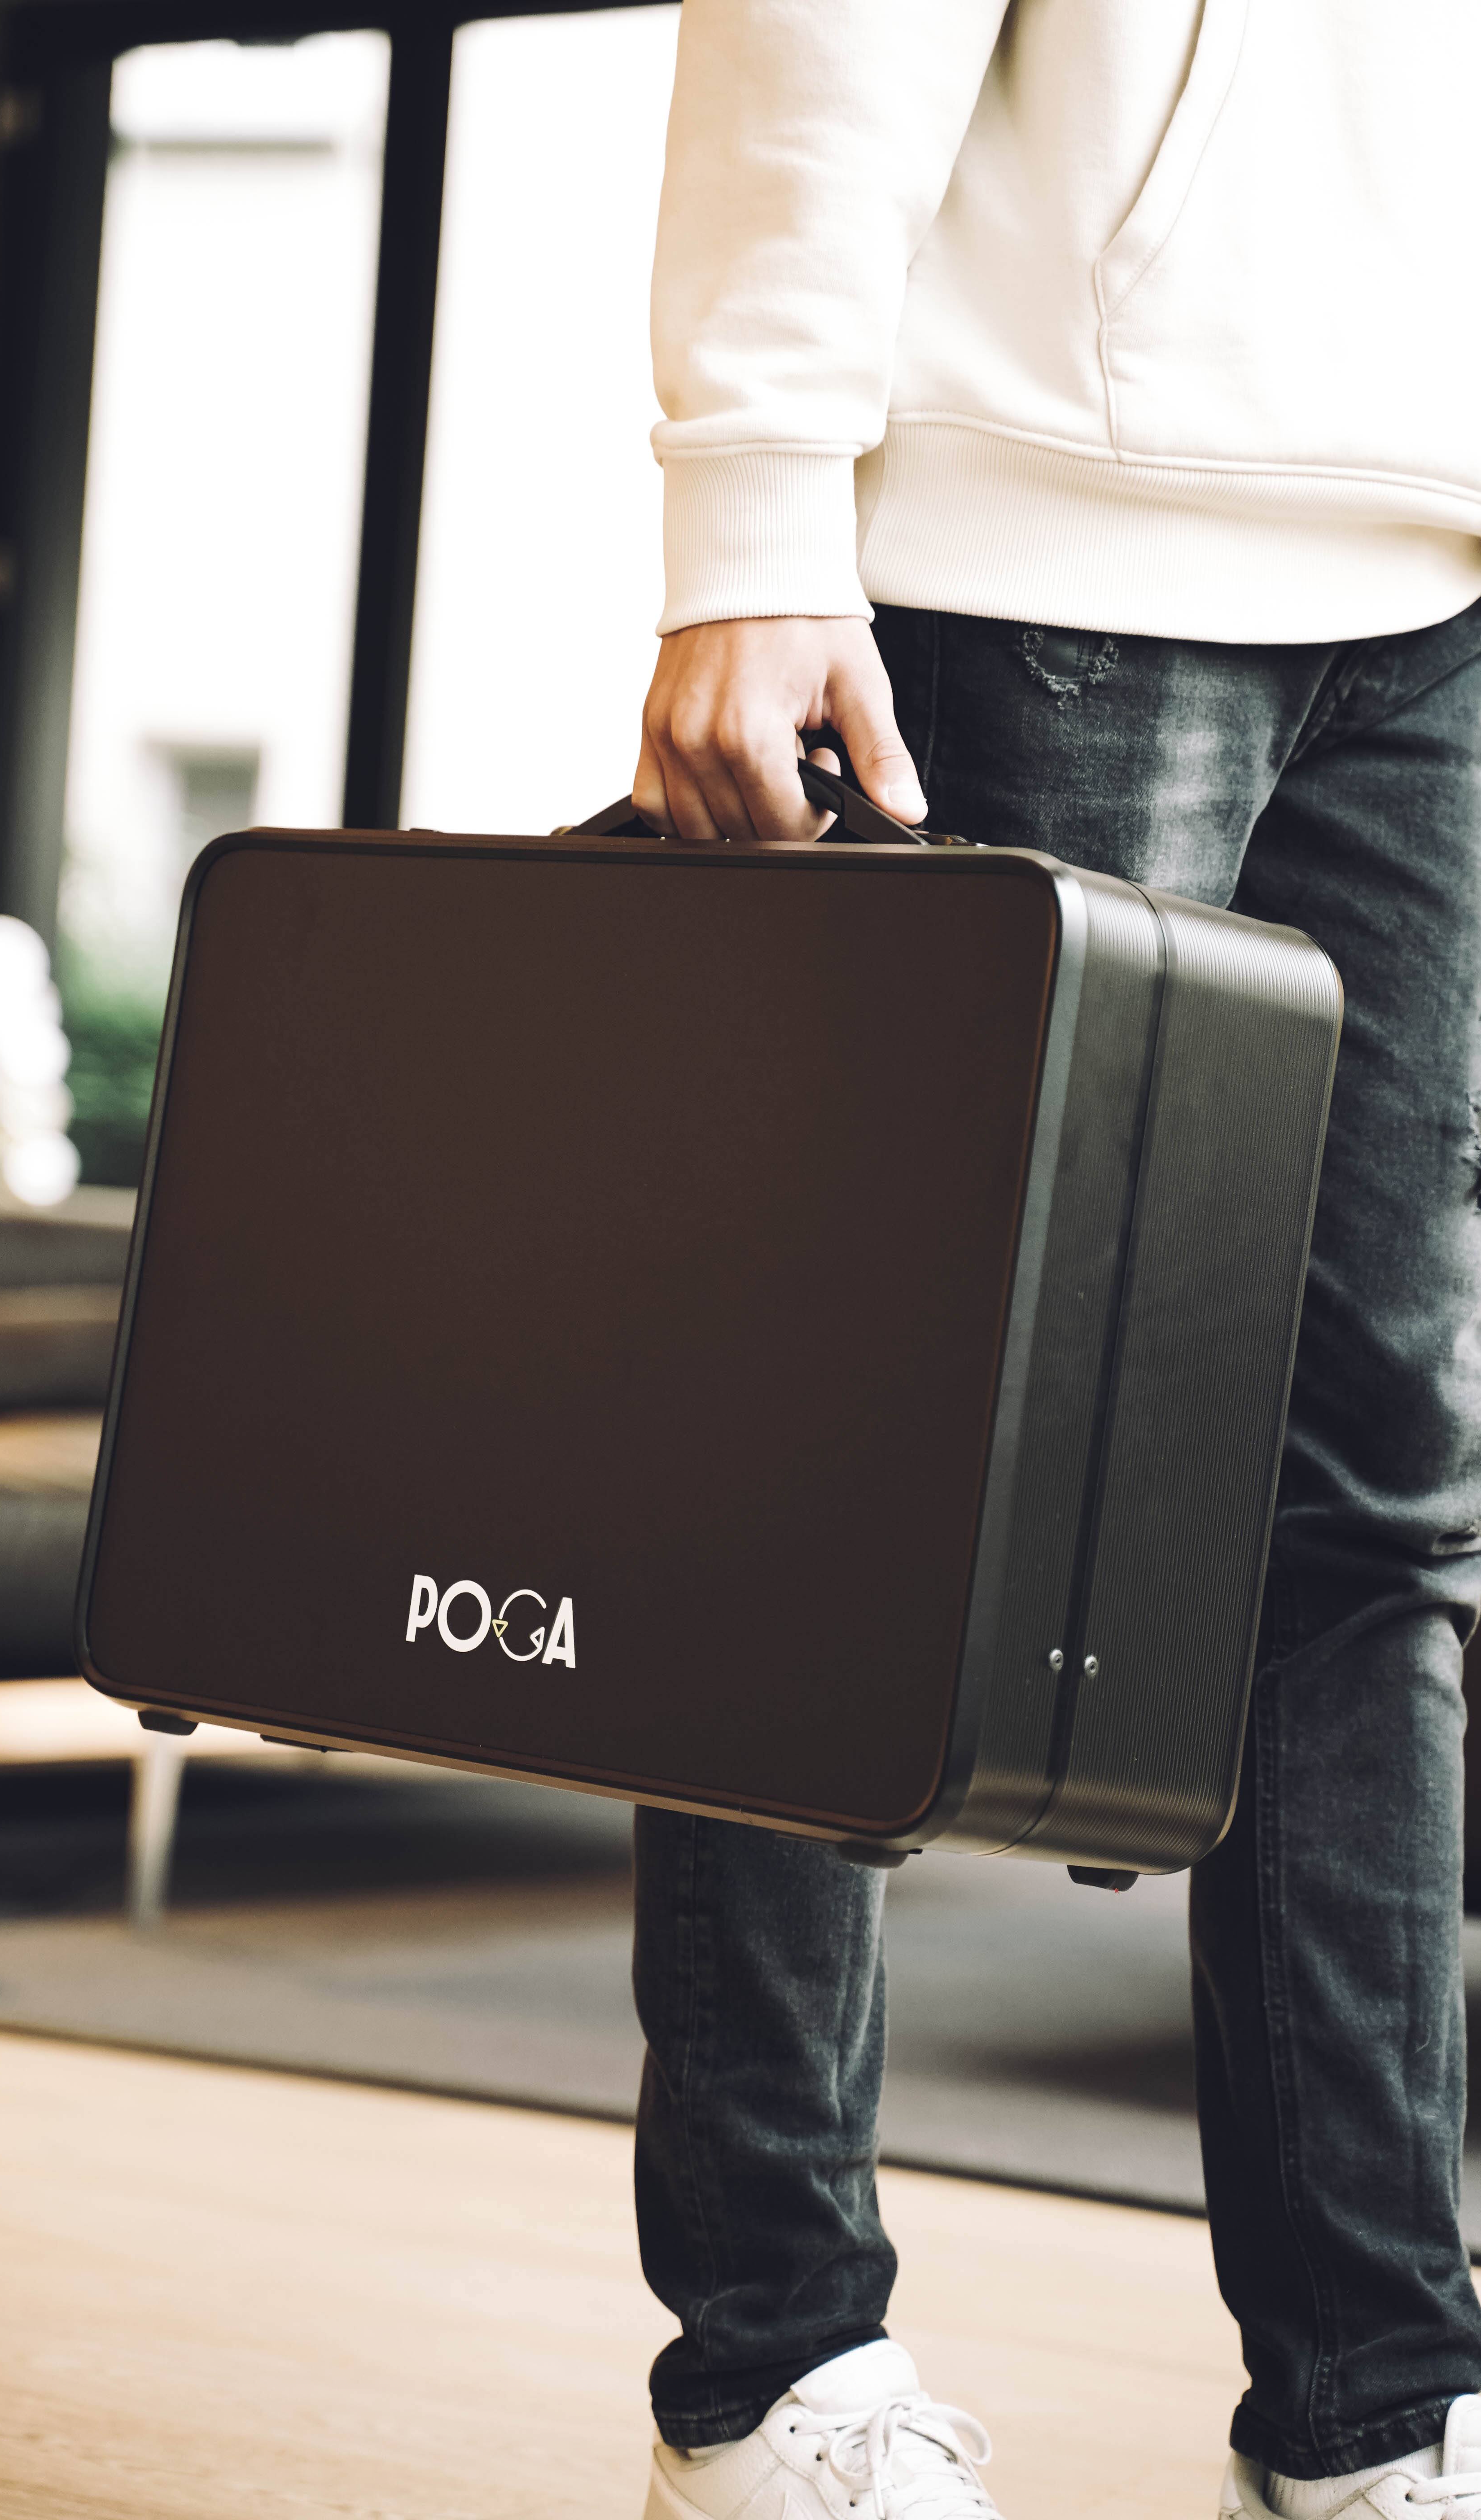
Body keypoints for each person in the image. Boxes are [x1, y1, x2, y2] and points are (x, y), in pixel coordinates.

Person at [624, 5, 1481, 2517]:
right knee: (859, 1491)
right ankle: (771, 2372)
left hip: (1445, 587)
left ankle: (1380, 2407)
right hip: (1042, 551)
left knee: (1376, 1516)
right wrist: (757, 513)